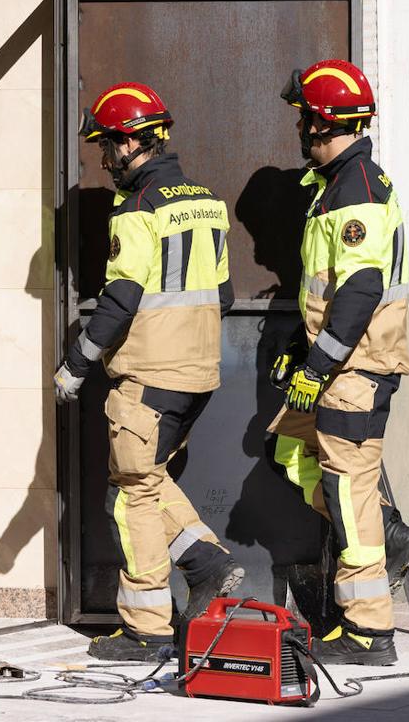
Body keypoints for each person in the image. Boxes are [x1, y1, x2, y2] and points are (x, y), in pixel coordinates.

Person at [54, 82, 244, 661]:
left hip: (149, 374)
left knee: (130, 494)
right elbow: (227, 294)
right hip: (198, 374)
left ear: (133, 142)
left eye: (108, 148)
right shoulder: (206, 201)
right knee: (152, 477)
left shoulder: (137, 209)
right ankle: (207, 562)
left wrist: (76, 364)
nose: (105, 161)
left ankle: (146, 628)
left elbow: (120, 299)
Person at [268, 59, 409, 667]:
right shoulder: (342, 185)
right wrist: (300, 351)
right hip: (342, 366)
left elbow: (359, 293)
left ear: (322, 121)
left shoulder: (355, 190)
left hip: (351, 373)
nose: (300, 129)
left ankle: (367, 630)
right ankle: (388, 531)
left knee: (345, 489)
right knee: (289, 453)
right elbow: (329, 291)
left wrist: (317, 369)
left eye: (305, 117)